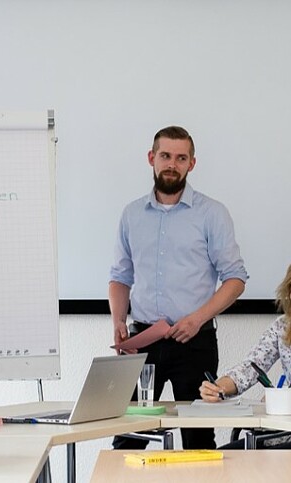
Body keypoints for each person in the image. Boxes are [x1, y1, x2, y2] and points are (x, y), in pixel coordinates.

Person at [109, 126, 248, 449]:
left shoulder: (212, 213)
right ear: (151, 158)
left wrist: (197, 318)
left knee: (198, 437)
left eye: (181, 158)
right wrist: (118, 320)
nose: (172, 164)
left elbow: (235, 279)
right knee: (128, 437)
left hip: (194, 341)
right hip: (141, 342)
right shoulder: (131, 214)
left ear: (192, 164)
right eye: (165, 156)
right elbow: (120, 276)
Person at [200, 264, 291, 449]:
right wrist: (219, 388)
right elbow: (252, 366)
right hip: (281, 432)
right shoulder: (283, 326)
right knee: (222, 459)